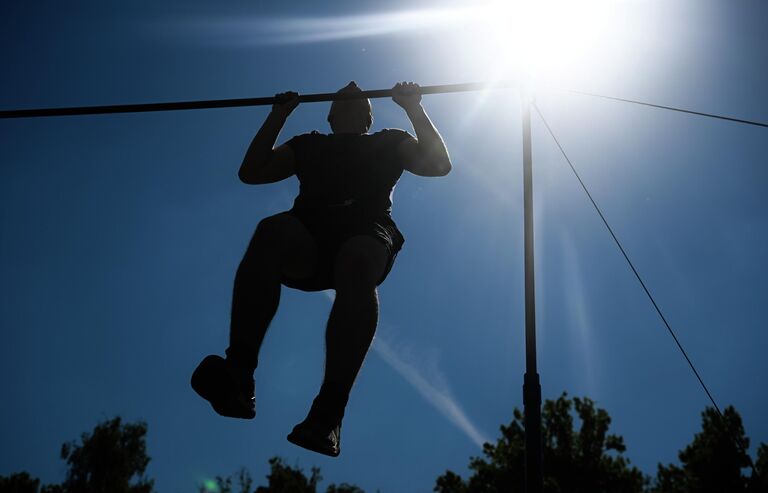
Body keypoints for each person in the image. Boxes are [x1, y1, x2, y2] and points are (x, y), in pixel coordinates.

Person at [191, 81, 451, 457]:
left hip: (366, 231)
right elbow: (251, 171)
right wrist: (277, 115)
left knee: (357, 257)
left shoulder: (391, 140)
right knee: (271, 230)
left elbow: (438, 165)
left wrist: (413, 107)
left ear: (368, 116)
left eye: (358, 97)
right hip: (309, 237)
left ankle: (328, 413)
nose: (352, 87)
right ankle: (239, 374)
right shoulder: (308, 144)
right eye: (343, 96)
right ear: (330, 116)